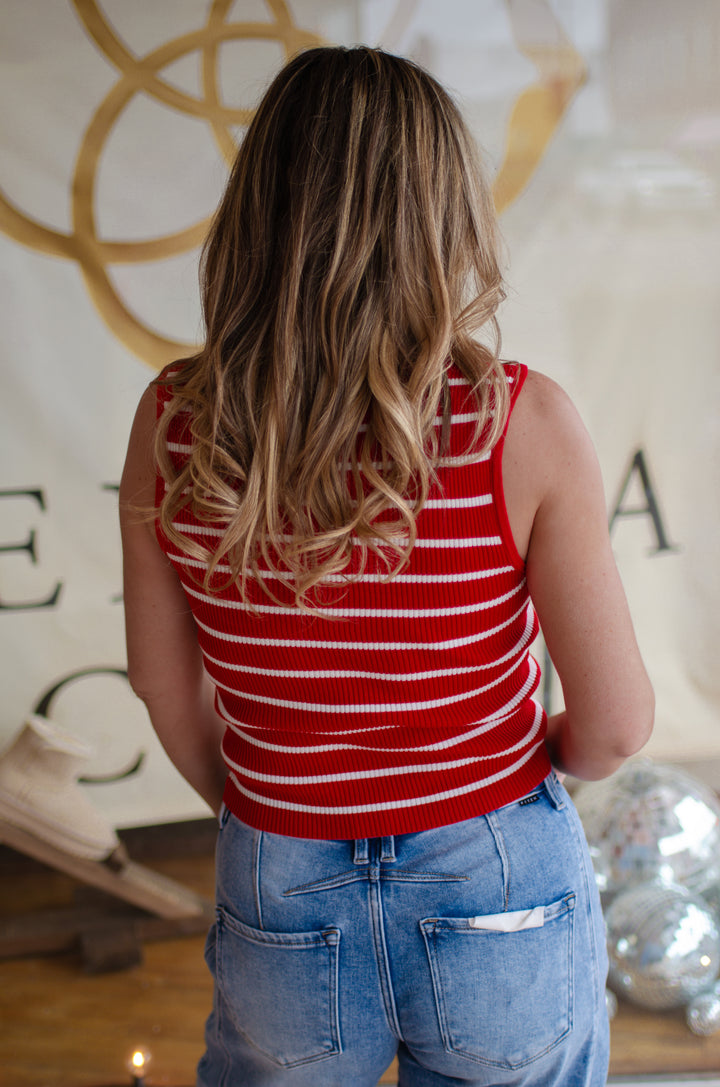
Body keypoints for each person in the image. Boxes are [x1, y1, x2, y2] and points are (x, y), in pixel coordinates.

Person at [119, 46, 654, 1087]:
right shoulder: (521, 422)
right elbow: (620, 722)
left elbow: (157, 679)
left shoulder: (174, 421)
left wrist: (266, 804)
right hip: (494, 851)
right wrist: (533, 768)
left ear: (257, 209)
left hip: (281, 862)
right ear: (444, 214)